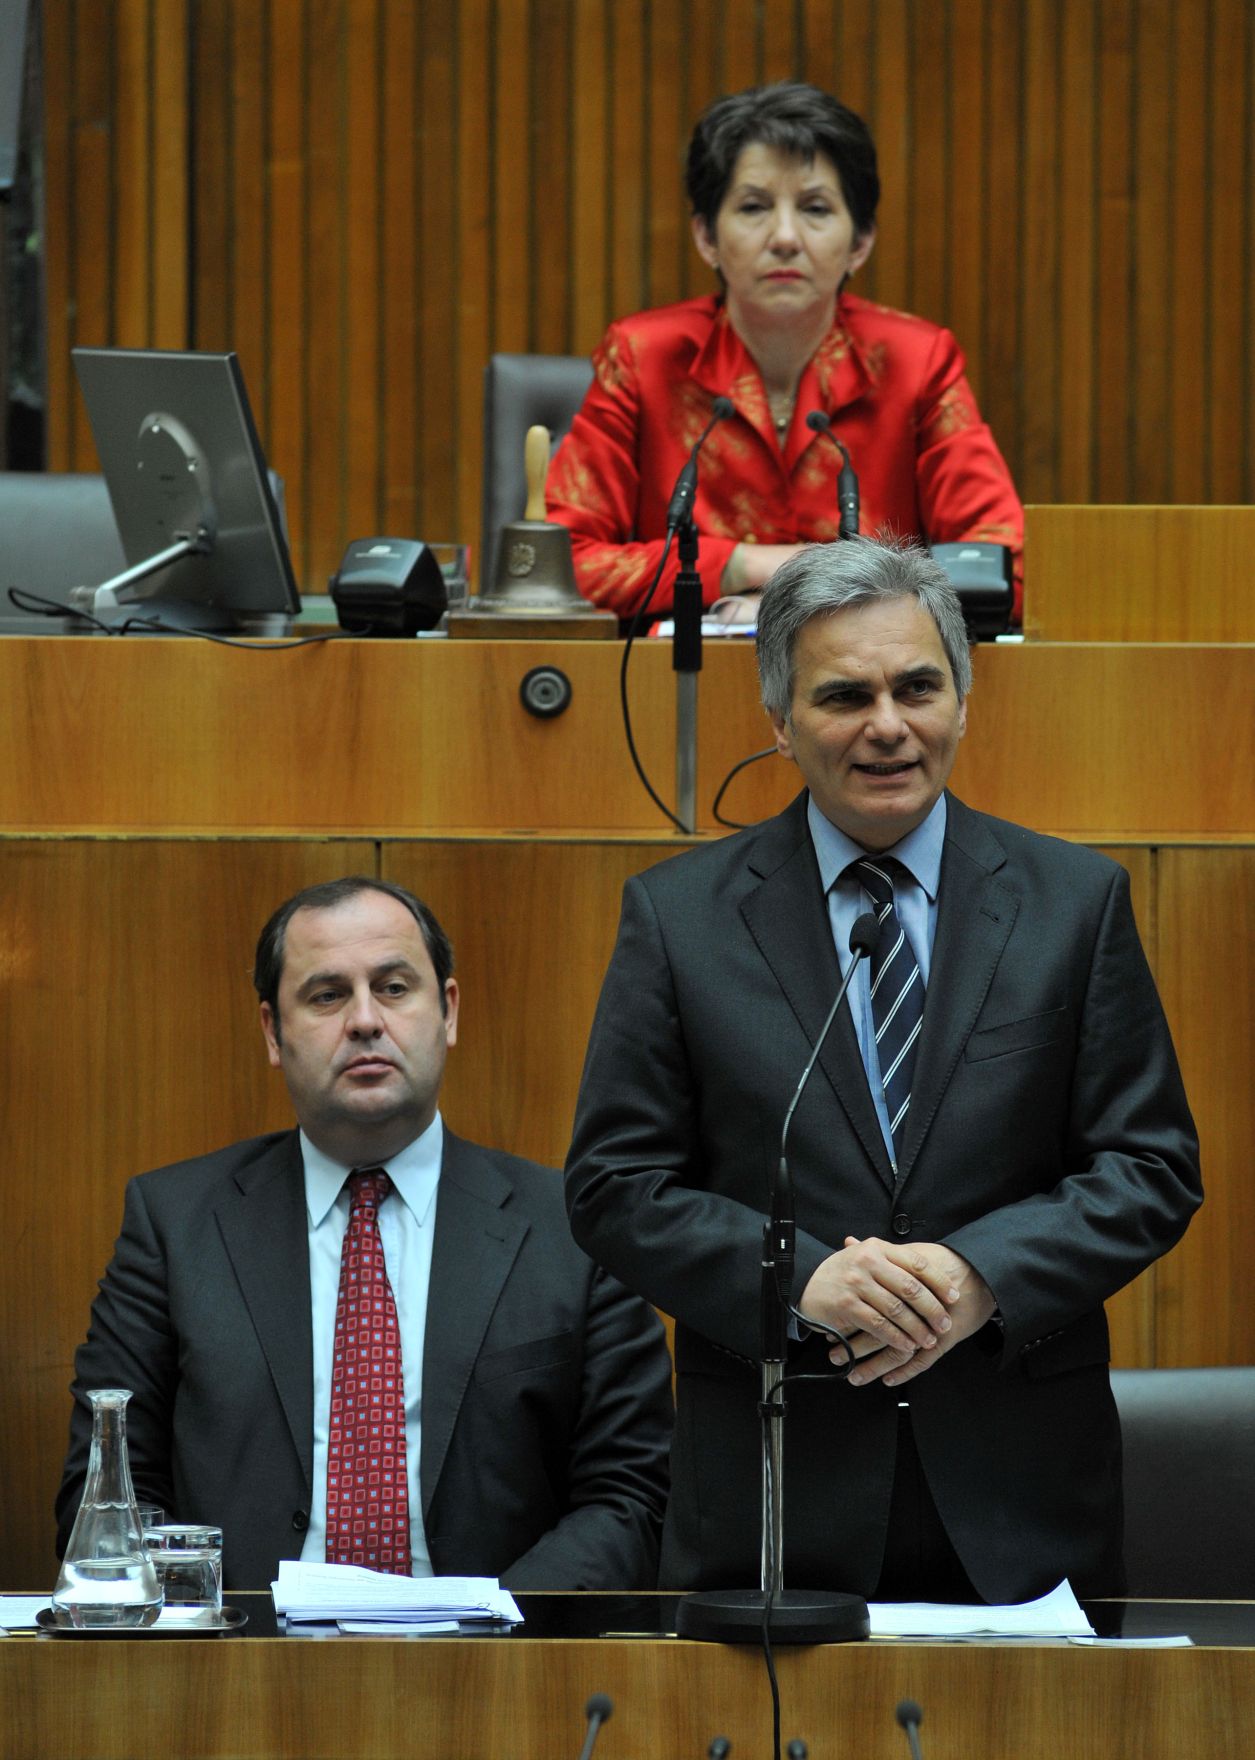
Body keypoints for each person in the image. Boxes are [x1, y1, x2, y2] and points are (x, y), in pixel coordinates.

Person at [565, 536, 1201, 1604]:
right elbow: (612, 1186)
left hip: (1020, 1502)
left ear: (963, 695)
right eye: (843, 695)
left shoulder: (1071, 904)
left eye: (917, 685)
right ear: (777, 721)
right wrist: (798, 1278)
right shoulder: (679, 920)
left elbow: (1148, 1167)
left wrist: (977, 1274)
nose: (888, 725)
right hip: (772, 1501)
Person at [58, 877, 672, 1591]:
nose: (364, 1020)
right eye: (326, 995)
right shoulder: (173, 1224)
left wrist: (489, 1634)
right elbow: (107, 1494)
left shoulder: (574, 1228)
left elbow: (632, 1496)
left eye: (393, 987)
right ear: (271, 1032)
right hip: (240, 1675)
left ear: (446, 1011)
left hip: (499, 1675)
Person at [546, 82, 1023, 626]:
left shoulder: (918, 364)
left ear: (860, 241)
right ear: (706, 236)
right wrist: (744, 565)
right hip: (678, 688)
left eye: (815, 208)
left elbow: (1003, 565)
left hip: (868, 691)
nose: (785, 236)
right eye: (754, 207)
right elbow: (559, 568)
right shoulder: (640, 358)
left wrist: (802, 599)